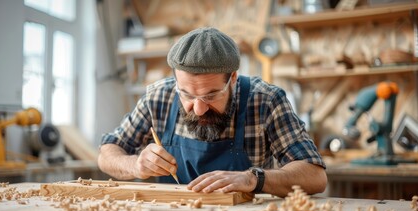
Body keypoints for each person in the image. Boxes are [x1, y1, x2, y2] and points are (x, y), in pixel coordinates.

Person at [98, 27, 327, 197]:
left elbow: (315, 176)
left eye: (211, 96)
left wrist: (254, 178)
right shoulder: (158, 97)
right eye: (186, 94)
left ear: (233, 79)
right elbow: (107, 154)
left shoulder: (266, 100)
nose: (198, 109)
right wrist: (135, 164)